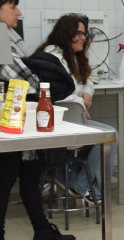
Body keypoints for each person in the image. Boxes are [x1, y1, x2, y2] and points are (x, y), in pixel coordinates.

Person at [0, 0, 75, 240]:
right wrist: (45, 83)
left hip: (15, 111)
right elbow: (20, 75)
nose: (19, 12)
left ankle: (42, 230)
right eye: (13, 7)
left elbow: (21, 70)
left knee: (29, 173)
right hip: (7, 115)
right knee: (5, 178)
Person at [23, 14, 115, 202]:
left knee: (105, 138)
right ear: (66, 34)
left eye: (85, 34)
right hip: (60, 122)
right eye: (79, 33)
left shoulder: (73, 56)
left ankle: (71, 179)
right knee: (110, 136)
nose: (83, 38)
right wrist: (80, 103)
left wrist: (87, 93)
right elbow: (58, 92)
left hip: (75, 118)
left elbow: (87, 81)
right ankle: (82, 183)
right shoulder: (52, 58)